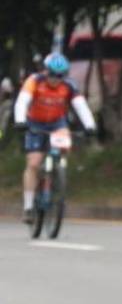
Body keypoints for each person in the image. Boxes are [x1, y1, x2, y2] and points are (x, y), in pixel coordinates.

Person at [13, 52, 96, 223]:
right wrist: (20, 121)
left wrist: (90, 125)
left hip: (57, 123)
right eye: (52, 74)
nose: (55, 79)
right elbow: (22, 101)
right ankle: (28, 207)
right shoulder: (34, 81)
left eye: (60, 75)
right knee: (34, 163)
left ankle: (57, 175)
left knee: (62, 148)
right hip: (35, 123)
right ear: (45, 71)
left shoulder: (69, 86)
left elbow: (81, 106)